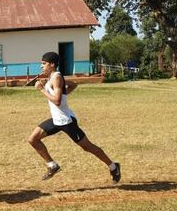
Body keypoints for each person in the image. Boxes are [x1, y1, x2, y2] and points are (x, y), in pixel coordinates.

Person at [28, 52, 120, 183]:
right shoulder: (52, 78)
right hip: (56, 120)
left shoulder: (56, 78)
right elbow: (73, 85)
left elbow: (58, 101)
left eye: (43, 63)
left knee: (87, 147)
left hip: (66, 121)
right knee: (33, 139)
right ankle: (52, 165)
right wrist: (60, 93)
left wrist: (42, 90)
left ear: (52, 64)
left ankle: (113, 166)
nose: (41, 66)